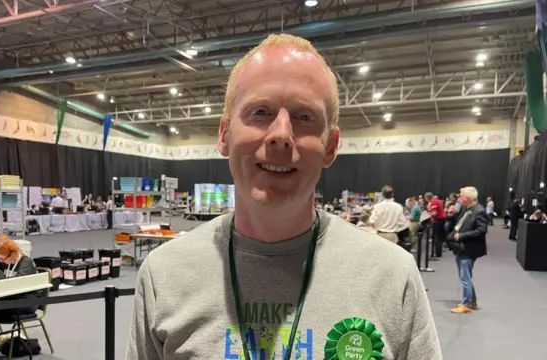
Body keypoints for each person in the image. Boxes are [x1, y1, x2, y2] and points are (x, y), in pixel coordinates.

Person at [126, 33, 441, 360]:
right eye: (260, 112)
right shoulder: (164, 274)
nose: (280, 135)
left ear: (330, 147)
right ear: (224, 135)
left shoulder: (392, 275)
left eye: (304, 117)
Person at [446, 187, 487, 314]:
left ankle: (466, 304)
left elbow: (481, 230)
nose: (459, 198)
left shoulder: (479, 211)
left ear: (467, 198)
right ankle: (472, 300)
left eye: (461, 196)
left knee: (465, 277)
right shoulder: (465, 209)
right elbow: (456, 223)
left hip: (469, 248)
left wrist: (462, 236)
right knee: (465, 275)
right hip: (461, 247)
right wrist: (452, 214)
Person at [425, 192, 446, 258]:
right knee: (438, 237)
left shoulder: (434, 202)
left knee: (436, 237)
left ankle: (437, 253)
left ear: (426, 198)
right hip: (440, 220)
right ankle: (438, 253)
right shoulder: (437, 201)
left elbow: (434, 213)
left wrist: (427, 213)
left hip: (438, 221)